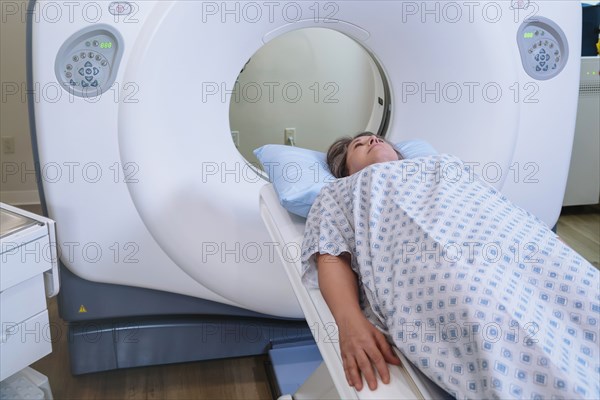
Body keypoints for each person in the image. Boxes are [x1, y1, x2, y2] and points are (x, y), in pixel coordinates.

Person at [300, 132, 599, 399]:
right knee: (496, 323)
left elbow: (502, 208)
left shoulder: (446, 165)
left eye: (376, 138)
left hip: (519, 247)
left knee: (586, 296)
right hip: (445, 268)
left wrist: (554, 247)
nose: (372, 141)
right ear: (345, 169)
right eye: (359, 145)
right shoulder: (340, 193)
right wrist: (350, 322)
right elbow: (329, 254)